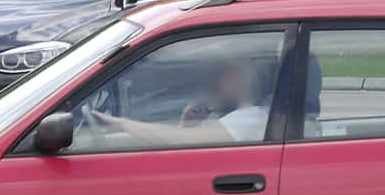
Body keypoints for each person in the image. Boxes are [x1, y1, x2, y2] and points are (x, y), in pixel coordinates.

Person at [85, 53, 270, 146]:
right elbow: (186, 143)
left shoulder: (252, 119)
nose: (212, 81)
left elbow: (180, 139)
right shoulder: (246, 118)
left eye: (221, 73)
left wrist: (124, 124)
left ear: (241, 78)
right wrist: (188, 127)